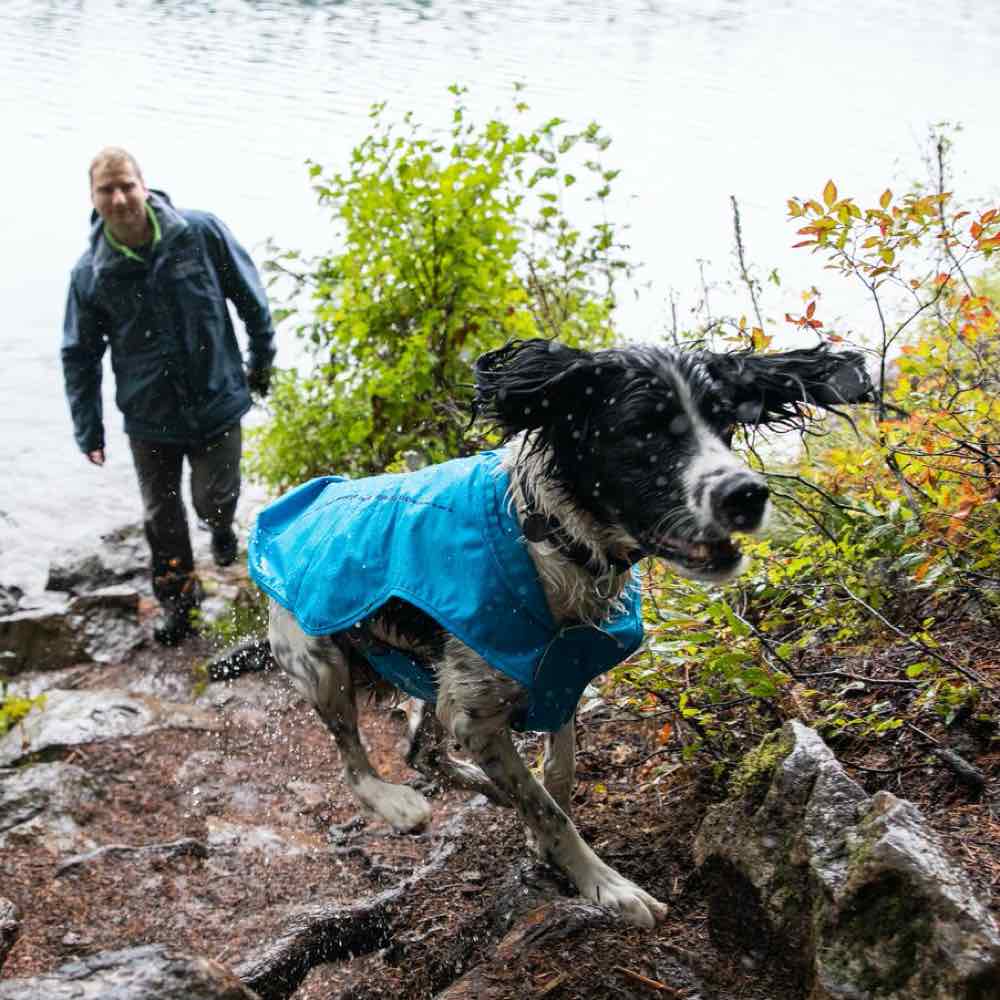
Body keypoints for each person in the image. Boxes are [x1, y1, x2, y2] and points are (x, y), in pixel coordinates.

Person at [62, 147, 276, 645]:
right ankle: (179, 605)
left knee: (213, 500)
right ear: (93, 199)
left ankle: (222, 530)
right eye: (105, 190)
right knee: (162, 520)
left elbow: (250, 298)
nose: (118, 198)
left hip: (217, 399)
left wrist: (260, 362)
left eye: (126, 185)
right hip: (148, 415)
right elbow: (80, 355)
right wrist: (88, 428)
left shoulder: (199, 233)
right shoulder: (90, 273)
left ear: (144, 185)